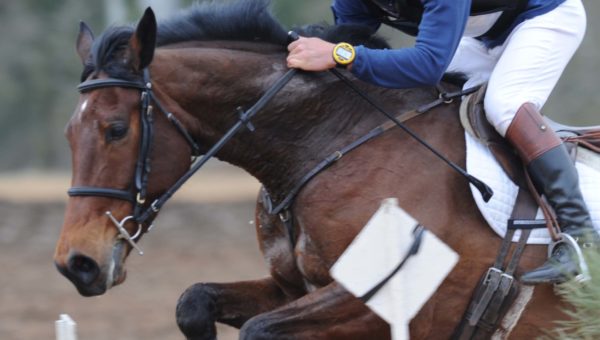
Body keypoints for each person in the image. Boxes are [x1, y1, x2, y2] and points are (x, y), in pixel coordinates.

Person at [287, 0, 598, 284]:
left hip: (544, 17)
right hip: (482, 36)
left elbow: (425, 65)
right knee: (421, 99)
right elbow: (348, 41)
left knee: (504, 105)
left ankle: (582, 238)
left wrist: (341, 54)